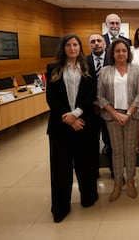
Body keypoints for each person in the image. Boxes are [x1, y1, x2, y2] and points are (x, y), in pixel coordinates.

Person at [46, 33, 98, 223]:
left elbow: (91, 93)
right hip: (61, 125)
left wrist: (76, 114)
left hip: (83, 123)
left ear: (80, 47)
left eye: (75, 44)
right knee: (61, 168)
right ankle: (60, 207)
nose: (72, 48)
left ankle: (88, 198)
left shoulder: (87, 67)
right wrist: (68, 117)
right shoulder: (53, 68)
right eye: (68, 45)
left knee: (85, 164)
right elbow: (51, 98)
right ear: (63, 48)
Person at [97, 39, 139, 202]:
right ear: (112, 53)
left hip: (132, 116)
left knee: (130, 150)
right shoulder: (105, 71)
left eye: (124, 50)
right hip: (112, 116)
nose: (121, 53)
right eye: (117, 51)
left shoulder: (136, 70)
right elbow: (100, 96)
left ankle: (130, 180)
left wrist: (129, 113)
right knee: (117, 151)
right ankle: (118, 182)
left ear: (128, 52)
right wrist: (116, 113)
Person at [87, 33, 111, 179]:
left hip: (110, 107)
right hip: (90, 109)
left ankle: (114, 170)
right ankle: (94, 170)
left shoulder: (112, 60)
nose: (96, 43)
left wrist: (104, 104)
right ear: (89, 45)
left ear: (105, 43)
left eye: (99, 41)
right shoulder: (83, 61)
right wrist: (94, 103)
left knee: (111, 142)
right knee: (91, 143)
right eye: (93, 41)